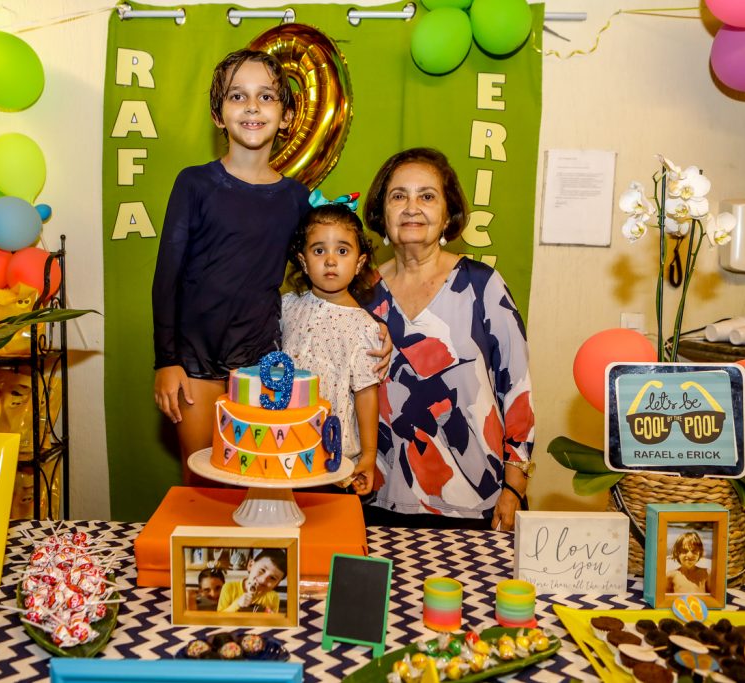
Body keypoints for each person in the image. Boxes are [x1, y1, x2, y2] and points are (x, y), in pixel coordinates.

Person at [152, 49, 390, 484]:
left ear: (285, 116)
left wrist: (370, 320)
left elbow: (326, 264)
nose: (252, 107)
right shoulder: (194, 183)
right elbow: (165, 277)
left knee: (260, 481)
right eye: (237, 96)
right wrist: (166, 361)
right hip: (194, 365)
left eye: (266, 97)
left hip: (262, 368)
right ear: (218, 115)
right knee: (204, 481)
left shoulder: (296, 200)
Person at [361, 147, 535, 531]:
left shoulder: (482, 285)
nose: (411, 207)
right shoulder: (361, 292)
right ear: (381, 213)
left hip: (474, 502)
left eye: (427, 196)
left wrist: (515, 486)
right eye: (398, 196)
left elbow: (517, 387)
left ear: (447, 215)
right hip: (375, 499)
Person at [282, 198, 380, 494]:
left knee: (326, 532)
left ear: (360, 261)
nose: (330, 260)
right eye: (319, 250)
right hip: (282, 447)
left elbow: (366, 393)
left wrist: (369, 455)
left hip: (331, 457)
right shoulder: (286, 306)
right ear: (302, 260)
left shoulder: (364, 327)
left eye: (342, 250)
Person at [217, 548, 287, 613]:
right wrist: (237, 604)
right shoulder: (229, 588)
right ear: (250, 565)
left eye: (273, 578)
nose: (263, 580)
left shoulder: (273, 597)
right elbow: (219, 618)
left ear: (277, 584)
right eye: (262, 570)